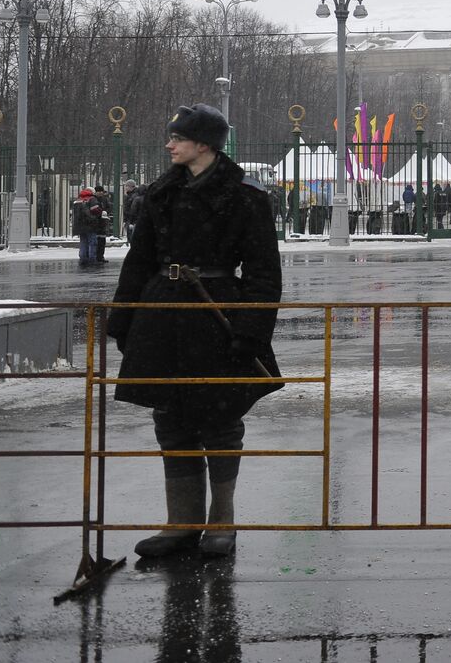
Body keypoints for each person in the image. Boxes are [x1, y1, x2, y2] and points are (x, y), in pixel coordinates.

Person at [107, 104, 283, 559]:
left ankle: (221, 523)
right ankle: (180, 524)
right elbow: (138, 260)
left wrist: (251, 330)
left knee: (220, 419)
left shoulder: (245, 195)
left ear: (203, 144)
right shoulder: (160, 193)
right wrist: (124, 316)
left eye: (177, 138)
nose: (169, 144)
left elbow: (264, 272)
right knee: (169, 418)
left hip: (217, 315)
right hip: (161, 316)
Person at [71, 188, 102, 266]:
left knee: (83, 242)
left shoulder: (78, 200)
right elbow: (96, 210)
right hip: (90, 224)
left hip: (79, 226)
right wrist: (98, 215)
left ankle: (83, 258)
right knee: (92, 242)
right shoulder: (92, 199)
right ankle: (92, 259)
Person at [122, 179, 146, 244]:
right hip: (131, 218)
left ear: (131, 186)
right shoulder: (131, 195)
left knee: (132, 238)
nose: (125, 188)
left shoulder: (134, 196)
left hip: (132, 219)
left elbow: (133, 209)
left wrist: (129, 220)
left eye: (127, 186)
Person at [93, 185, 112, 262]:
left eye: (102, 191)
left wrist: (105, 212)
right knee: (95, 240)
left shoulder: (105, 199)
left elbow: (109, 207)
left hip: (102, 222)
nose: (101, 193)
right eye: (99, 191)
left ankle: (100, 256)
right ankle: (95, 256)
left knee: (102, 240)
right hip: (95, 222)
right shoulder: (93, 199)